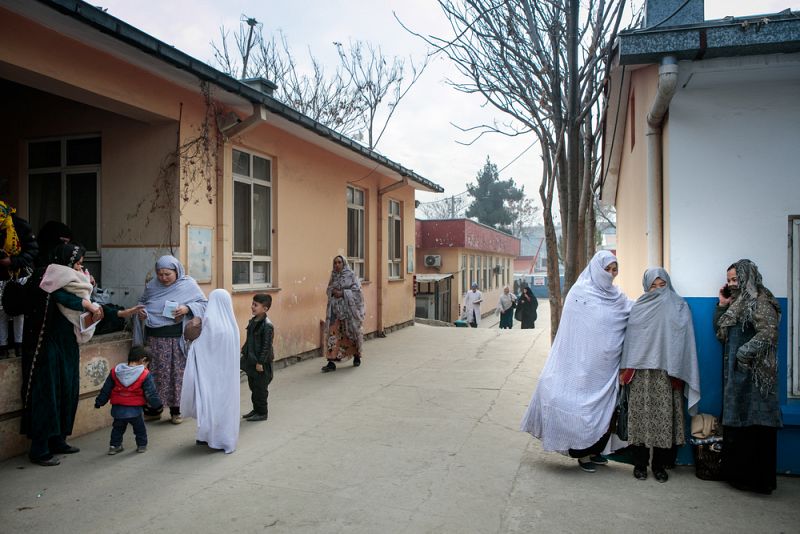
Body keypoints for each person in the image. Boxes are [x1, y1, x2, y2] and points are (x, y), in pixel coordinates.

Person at [520, 250, 632, 472]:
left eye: (614, 270)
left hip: (606, 366)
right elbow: (571, 332)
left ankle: (595, 451)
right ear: (595, 269)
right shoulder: (580, 293)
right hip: (579, 363)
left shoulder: (618, 297)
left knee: (605, 410)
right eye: (606, 269)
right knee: (578, 406)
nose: (611, 274)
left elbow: (633, 312)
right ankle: (582, 454)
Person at [19, 243, 103, 466]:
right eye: (77, 262)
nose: (80, 267)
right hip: (45, 346)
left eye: (81, 263)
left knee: (67, 389)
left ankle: (58, 440)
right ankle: (39, 448)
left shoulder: (74, 279)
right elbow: (60, 297)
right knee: (48, 394)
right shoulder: (47, 276)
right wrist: (86, 302)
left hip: (66, 345)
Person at [620, 268, 701, 483]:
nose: (657, 290)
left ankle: (659, 466)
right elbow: (631, 340)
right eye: (653, 286)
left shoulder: (679, 306)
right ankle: (640, 464)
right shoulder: (639, 307)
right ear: (646, 287)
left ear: (668, 284)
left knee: (664, 419)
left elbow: (682, 340)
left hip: (667, 372)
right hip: (641, 373)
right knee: (640, 419)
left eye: (662, 285)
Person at [715, 259, 782, 494]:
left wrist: (743, 354)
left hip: (757, 376)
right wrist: (723, 305)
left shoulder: (761, 301)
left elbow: (769, 333)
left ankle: (758, 481)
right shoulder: (738, 303)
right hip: (738, 376)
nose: (732, 284)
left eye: (736, 279)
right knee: (740, 424)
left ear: (747, 277)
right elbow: (721, 334)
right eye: (729, 280)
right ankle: (739, 478)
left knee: (757, 425)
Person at [133, 255, 207, 424]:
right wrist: (142, 312)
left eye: (167, 274)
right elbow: (141, 303)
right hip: (155, 340)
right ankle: (154, 409)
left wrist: (187, 308)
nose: (163, 278)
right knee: (156, 375)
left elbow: (204, 304)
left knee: (176, 375)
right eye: (160, 274)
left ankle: (176, 410)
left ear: (177, 271)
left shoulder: (188, 285)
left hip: (177, 340)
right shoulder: (152, 286)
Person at [181, 289, 240, 453]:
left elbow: (198, 346)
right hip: (226, 377)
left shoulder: (210, 324)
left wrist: (194, 327)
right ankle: (224, 438)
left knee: (208, 406)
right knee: (225, 407)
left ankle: (209, 437)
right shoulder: (232, 326)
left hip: (210, 377)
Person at [94, 345, 162, 455]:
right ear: (143, 360)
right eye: (147, 364)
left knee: (117, 429)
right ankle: (141, 446)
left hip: (118, 409)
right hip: (135, 410)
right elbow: (151, 393)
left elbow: (106, 390)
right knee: (139, 429)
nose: (146, 367)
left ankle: (114, 446)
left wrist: (99, 402)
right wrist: (157, 405)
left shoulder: (115, 371)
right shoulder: (144, 374)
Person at [0, 201, 38, 358]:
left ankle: (19, 345)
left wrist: (12, 261)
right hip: (0, 277)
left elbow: (32, 250)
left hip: (19, 275)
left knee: (19, 312)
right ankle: (2, 347)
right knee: (1, 313)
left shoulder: (19, 225)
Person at [321, 255, 364, 373]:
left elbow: (357, 291)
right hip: (335, 311)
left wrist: (343, 293)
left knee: (351, 333)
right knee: (333, 333)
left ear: (344, 263)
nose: (337, 265)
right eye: (335, 263)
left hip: (349, 312)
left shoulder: (351, 275)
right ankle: (331, 361)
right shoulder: (333, 276)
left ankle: (356, 356)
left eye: (339, 262)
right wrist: (332, 291)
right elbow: (328, 289)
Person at [241, 293, 274, 422]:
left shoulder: (267, 325)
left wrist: (261, 362)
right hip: (252, 360)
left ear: (265, 309)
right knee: (253, 387)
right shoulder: (253, 321)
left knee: (261, 389)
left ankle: (262, 413)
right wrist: (244, 351)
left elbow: (266, 346)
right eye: (252, 304)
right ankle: (256, 410)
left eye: (256, 305)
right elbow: (249, 340)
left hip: (261, 363)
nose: (252, 307)